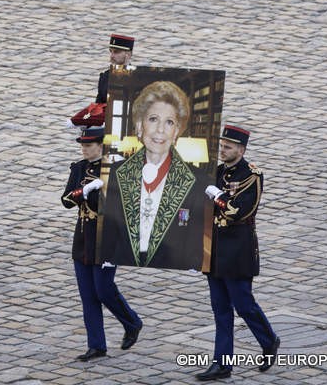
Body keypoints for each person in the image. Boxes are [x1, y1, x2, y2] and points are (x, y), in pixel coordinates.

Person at [197, 125, 279, 381]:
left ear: (241, 149)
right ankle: (222, 364)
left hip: (237, 249)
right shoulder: (217, 172)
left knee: (243, 305)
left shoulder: (251, 176)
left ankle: (269, 340)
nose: (223, 151)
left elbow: (237, 212)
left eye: (228, 147)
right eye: (221, 146)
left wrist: (218, 196)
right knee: (220, 308)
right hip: (215, 248)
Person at [100, 80, 209, 269]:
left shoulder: (198, 181)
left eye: (169, 122)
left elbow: (194, 245)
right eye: (153, 119)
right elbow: (110, 234)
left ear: (176, 132)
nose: (160, 130)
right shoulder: (118, 172)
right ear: (140, 126)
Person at [61, 126, 143, 361]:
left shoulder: (116, 170)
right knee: (88, 295)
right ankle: (96, 345)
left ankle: (132, 322)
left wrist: (95, 192)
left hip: (107, 237)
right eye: (83, 146)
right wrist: (83, 191)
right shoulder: (79, 168)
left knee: (104, 289)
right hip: (83, 236)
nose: (84, 149)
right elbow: (66, 200)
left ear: (101, 146)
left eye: (89, 145)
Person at [95, 33, 134, 105]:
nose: (112, 56)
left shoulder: (137, 77)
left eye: (116, 52)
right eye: (111, 51)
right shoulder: (105, 77)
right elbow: (98, 105)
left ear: (128, 54)